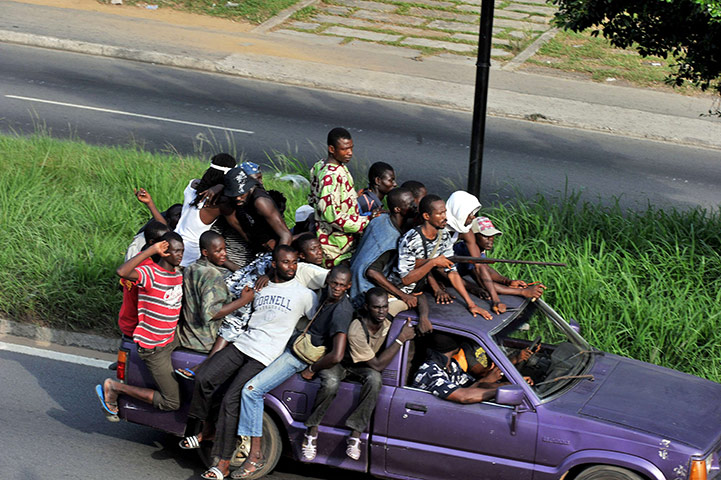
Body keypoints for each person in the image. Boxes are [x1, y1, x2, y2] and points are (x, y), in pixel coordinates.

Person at [179, 245, 316, 480]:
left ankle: (221, 463)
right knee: (204, 378)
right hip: (243, 344)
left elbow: (316, 323)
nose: (291, 267)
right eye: (285, 262)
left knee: (232, 399)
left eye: (294, 262)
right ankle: (205, 428)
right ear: (274, 264)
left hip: (265, 354)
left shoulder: (305, 295)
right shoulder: (260, 287)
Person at [235, 265, 354, 479]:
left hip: (299, 357)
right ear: (328, 281)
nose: (336, 288)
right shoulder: (327, 297)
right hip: (292, 343)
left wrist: (311, 369)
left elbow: (337, 355)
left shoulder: (341, 311)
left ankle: (254, 454)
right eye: (333, 283)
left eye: (341, 285)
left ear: (348, 286)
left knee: (251, 391)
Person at [301, 288, 416, 462]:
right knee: (331, 383)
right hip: (341, 363)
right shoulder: (356, 328)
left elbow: (415, 300)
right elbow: (377, 365)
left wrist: (422, 317)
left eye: (384, 306)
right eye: (377, 307)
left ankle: (355, 435)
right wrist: (401, 339)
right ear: (367, 307)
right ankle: (311, 431)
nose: (382, 311)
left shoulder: (388, 314)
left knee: (375, 380)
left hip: (361, 366)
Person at [95, 232, 185, 419]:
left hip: (171, 338)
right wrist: (151, 250)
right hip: (155, 347)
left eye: (182, 251)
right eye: (176, 251)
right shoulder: (149, 273)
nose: (180, 255)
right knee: (171, 402)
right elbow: (122, 272)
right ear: (164, 252)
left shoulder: (178, 273)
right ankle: (115, 387)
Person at [389, 194, 492, 320]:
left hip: (417, 294)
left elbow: (452, 272)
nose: (445, 217)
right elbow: (405, 279)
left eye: (445, 212)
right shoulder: (410, 240)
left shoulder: (444, 236)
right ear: (426, 216)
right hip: (396, 294)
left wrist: (471, 305)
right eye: (440, 214)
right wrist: (433, 263)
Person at [350, 187, 431, 331]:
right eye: (410, 204)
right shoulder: (391, 239)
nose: (414, 206)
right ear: (398, 209)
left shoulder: (382, 219)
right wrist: (402, 295)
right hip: (363, 290)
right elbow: (372, 272)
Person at [176, 231, 257, 356]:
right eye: (218, 251)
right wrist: (243, 301)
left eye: (224, 249)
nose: (224, 253)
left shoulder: (191, 268)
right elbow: (212, 313)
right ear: (205, 252)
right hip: (205, 343)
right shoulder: (212, 274)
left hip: (187, 337)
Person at [176, 156, 260, 267]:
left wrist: (219, 185)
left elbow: (201, 182)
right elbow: (241, 229)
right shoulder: (219, 202)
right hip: (192, 255)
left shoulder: (192, 185)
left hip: (176, 243)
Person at [309, 127, 369, 267]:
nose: (350, 153)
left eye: (351, 148)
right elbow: (332, 216)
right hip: (336, 246)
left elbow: (313, 198)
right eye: (344, 149)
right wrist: (365, 222)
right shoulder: (332, 176)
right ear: (332, 149)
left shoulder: (320, 165)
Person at [444, 191, 506, 314]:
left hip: (449, 270)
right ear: (458, 211)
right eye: (469, 213)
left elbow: (479, 265)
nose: (473, 217)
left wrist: (496, 300)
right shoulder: (437, 230)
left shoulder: (466, 231)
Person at [458, 216, 546, 301]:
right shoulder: (468, 250)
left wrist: (507, 281)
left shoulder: (479, 249)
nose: (490, 239)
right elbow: (483, 282)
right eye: (485, 236)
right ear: (473, 236)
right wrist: (523, 292)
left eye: (492, 235)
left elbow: (486, 268)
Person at [411, 332, 501, 404]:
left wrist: (492, 381)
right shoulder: (429, 373)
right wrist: (499, 394)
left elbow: (470, 386)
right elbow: (464, 396)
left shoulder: (452, 365)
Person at [117, 220, 169, 342]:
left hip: (127, 321)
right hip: (137, 327)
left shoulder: (135, 260)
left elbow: (122, 285)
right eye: (164, 243)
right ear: (153, 244)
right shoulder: (147, 270)